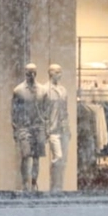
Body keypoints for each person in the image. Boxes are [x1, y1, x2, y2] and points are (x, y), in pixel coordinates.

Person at [11, 63, 48, 193]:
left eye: (33, 72)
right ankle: (25, 184)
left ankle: (33, 183)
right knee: (25, 156)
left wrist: (46, 128)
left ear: (36, 73)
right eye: (29, 73)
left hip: (38, 126)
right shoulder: (18, 90)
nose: (31, 75)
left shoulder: (43, 90)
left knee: (36, 157)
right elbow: (14, 112)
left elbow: (46, 110)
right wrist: (15, 129)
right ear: (25, 73)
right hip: (24, 127)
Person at [44, 63, 72, 193]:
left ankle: (59, 187)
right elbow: (42, 111)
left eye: (60, 72)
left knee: (63, 161)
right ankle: (54, 187)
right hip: (52, 129)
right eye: (57, 72)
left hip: (63, 129)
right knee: (58, 157)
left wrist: (68, 128)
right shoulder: (45, 90)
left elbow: (65, 111)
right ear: (50, 73)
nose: (59, 74)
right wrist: (45, 128)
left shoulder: (63, 90)